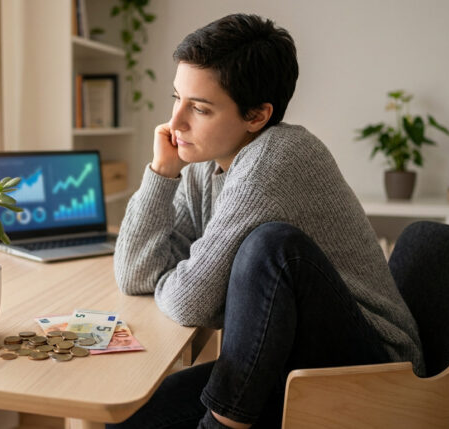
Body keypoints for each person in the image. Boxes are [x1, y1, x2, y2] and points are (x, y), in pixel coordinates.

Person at [110, 13, 424, 429]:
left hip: (373, 367)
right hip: (284, 357)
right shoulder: (206, 164)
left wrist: (181, 277)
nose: (175, 122)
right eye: (176, 98)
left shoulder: (278, 157)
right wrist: (161, 172)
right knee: (128, 418)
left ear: (256, 116)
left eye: (199, 108)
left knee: (270, 246)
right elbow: (135, 274)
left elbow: (188, 302)